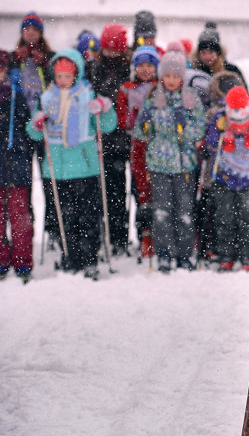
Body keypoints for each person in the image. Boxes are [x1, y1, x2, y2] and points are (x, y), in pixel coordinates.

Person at [26, 48, 118, 279]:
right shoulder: (46, 99)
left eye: (68, 76)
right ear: (53, 76)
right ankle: (71, 255)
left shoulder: (87, 95)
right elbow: (35, 134)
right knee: (64, 217)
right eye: (59, 76)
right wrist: (36, 123)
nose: (64, 81)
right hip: (56, 169)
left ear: (76, 75)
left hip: (85, 167)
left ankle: (89, 259)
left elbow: (107, 126)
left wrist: (105, 109)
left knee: (88, 215)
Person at [133, 51, 207, 272]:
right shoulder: (153, 99)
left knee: (185, 212)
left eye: (176, 76)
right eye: (168, 76)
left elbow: (200, 127)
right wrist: (144, 122)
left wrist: (186, 127)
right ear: (162, 77)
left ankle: (184, 254)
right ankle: (164, 253)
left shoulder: (191, 98)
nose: (172, 80)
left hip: (184, 166)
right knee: (161, 212)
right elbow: (140, 133)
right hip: (159, 165)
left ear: (182, 77)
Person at [87, 23, 134, 254]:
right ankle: (114, 236)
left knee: (132, 191)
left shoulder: (131, 66)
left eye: (116, 51)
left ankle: (125, 236)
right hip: (105, 138)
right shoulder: (95, 68)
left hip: (129, 137)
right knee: (111, 192)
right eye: (107, 51)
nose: (111, 55)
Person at [201, 86, 249, 271]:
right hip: (224, 177)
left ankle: (248, 256)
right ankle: (226, 254)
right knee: (224, 217)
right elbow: (209, 146)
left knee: (248, 218)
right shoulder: (220, 118)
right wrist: (219, 134)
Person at [116, 45, 160, 259]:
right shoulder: (127, 88)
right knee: (141, 191)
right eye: (141, 65)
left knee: (158, 191)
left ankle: (159, 235)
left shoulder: (160, 87)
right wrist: (130, 120)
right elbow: (121, 115)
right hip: (137, 146)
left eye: (149, 65)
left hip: (159, 145)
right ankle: (144, 234)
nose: (145, 69)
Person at [0, 57, 34, 282]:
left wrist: (18, 94)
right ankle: (2, 258)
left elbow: (26, 124)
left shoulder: (15, 95)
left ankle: (22, 259)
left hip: (16, 164)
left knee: (19, 216)